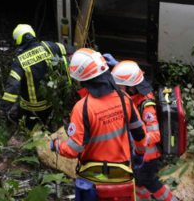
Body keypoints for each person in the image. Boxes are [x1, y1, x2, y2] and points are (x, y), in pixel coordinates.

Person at [50, 48, 147, 198]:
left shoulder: (82, 108)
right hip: (123, 179)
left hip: (93, 183)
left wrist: (56, 144)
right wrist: (139, 153)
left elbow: (73, 150)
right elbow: (139, 133)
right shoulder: (124, 99)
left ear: (82, 78)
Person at [113, 60, 177, 201]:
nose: (117, 89)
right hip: (138, 154)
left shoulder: (146, 105)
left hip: (147, 157)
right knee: (139, 183)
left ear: (129, 85)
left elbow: (155, 135)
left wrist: (133, 136)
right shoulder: (138, 90)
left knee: (151, 183)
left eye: (119, 85)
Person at [0, 24, 74, 131]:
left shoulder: (19, 61)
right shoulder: (48, 46)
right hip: (51, 102)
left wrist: (4, 108)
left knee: (27, 125)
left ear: (19, 40)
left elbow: (13, 85)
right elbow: (71, 50)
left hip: (31, 107)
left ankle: (36, 135)